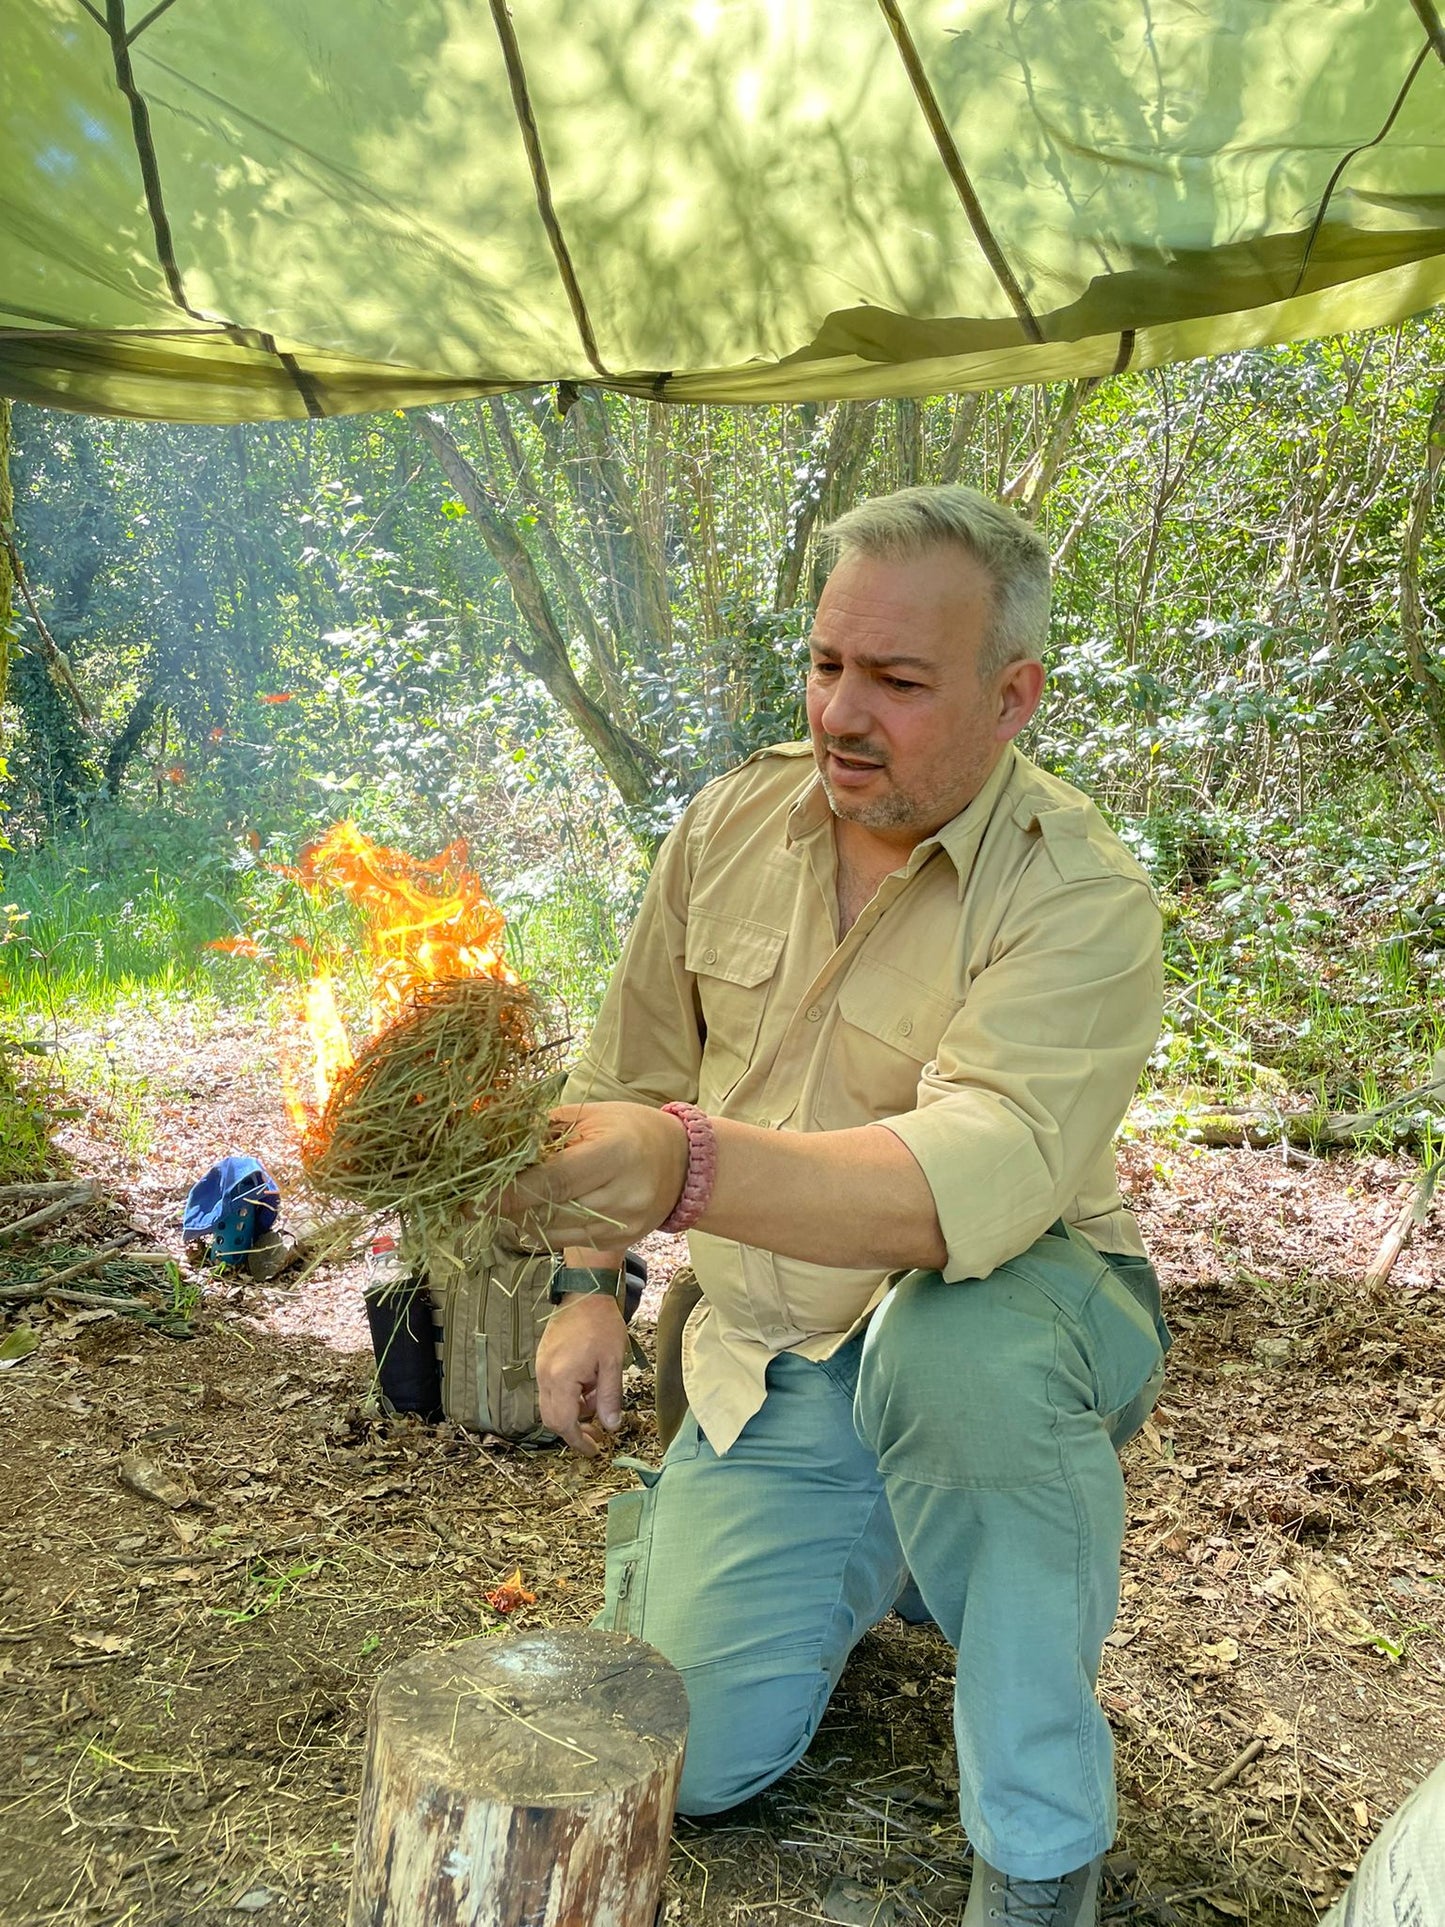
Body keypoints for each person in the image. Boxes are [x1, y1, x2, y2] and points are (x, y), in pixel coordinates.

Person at [501, 485, 1170, 1927]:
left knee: (954, 1357)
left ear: (1013, 697)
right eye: (824, 666)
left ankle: (1038, 1860)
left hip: (1020, 1310)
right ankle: (854, 1543)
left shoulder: (1080, 894)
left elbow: (966, 1180)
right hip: (776, 1352)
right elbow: (625, 1070)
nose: (840, 713)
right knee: (691, 1770)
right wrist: (584, 1284)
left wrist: (684, 1166)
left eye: (897, 681)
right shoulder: (731, 823)